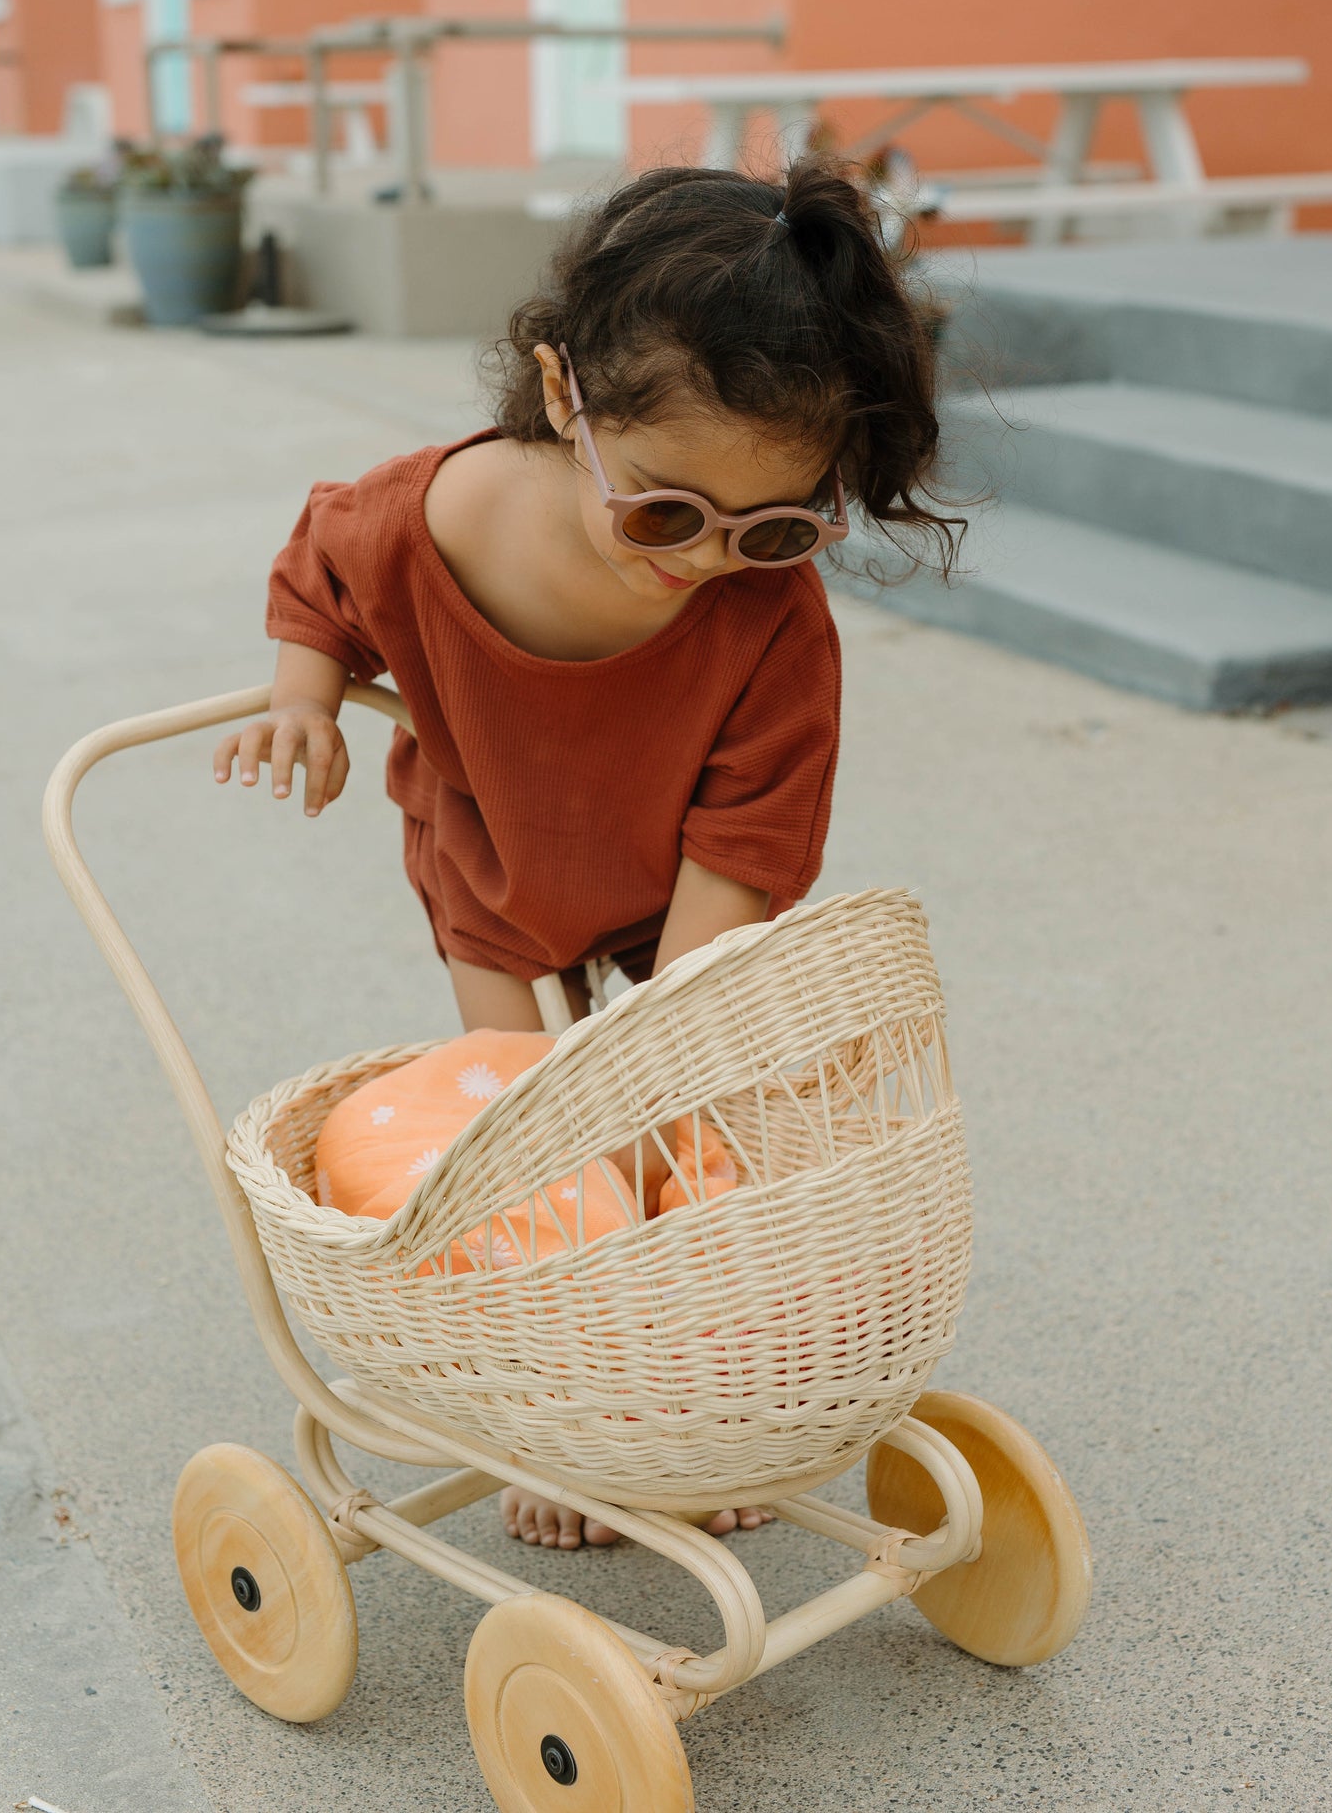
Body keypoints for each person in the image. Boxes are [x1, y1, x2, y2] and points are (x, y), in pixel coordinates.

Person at [214, 159, 957, 1548]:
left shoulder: (768, 620)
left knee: (692, 1138)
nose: (703, 560)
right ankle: (556, 1421)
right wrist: (302, 697)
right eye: (664, 510)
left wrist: (659, 1073)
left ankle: (700, 1408)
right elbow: (319, 563)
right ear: (563, 396)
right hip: (491, 868)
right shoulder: (439, 515)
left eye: (775, 526)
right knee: (528, 1156)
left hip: (686, 872)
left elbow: (741, 855)